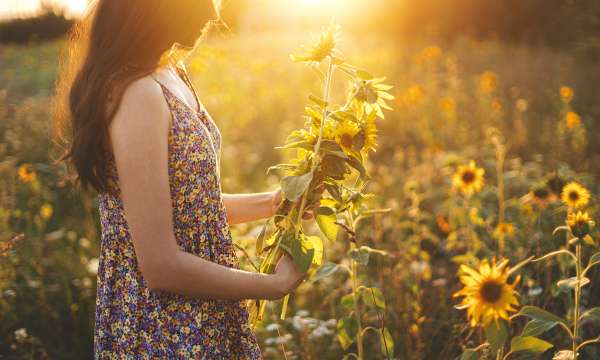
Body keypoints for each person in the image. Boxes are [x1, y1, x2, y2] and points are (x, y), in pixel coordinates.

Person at [53, 1, 310, 358]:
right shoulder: (138, 94)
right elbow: (160, 266)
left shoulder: (170, 72)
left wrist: (273, 203)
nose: (213, 14)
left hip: (204, 312)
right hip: (163, 327)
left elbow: (190, 208)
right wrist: (272, 285)